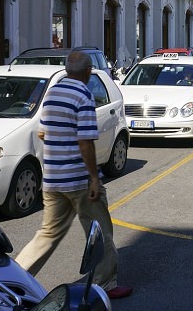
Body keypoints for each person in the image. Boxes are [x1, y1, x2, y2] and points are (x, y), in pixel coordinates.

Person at [16, 51, 133, 300]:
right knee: (100, 230)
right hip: (79, 180)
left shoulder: (51, 95)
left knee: (47, 234)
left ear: (67, 70)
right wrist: (93, 178)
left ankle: (15, 280)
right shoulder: (83, 95)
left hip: (52, 181)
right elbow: (85, 143)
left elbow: (42, 133)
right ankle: (106, 284)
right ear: (88, 72)